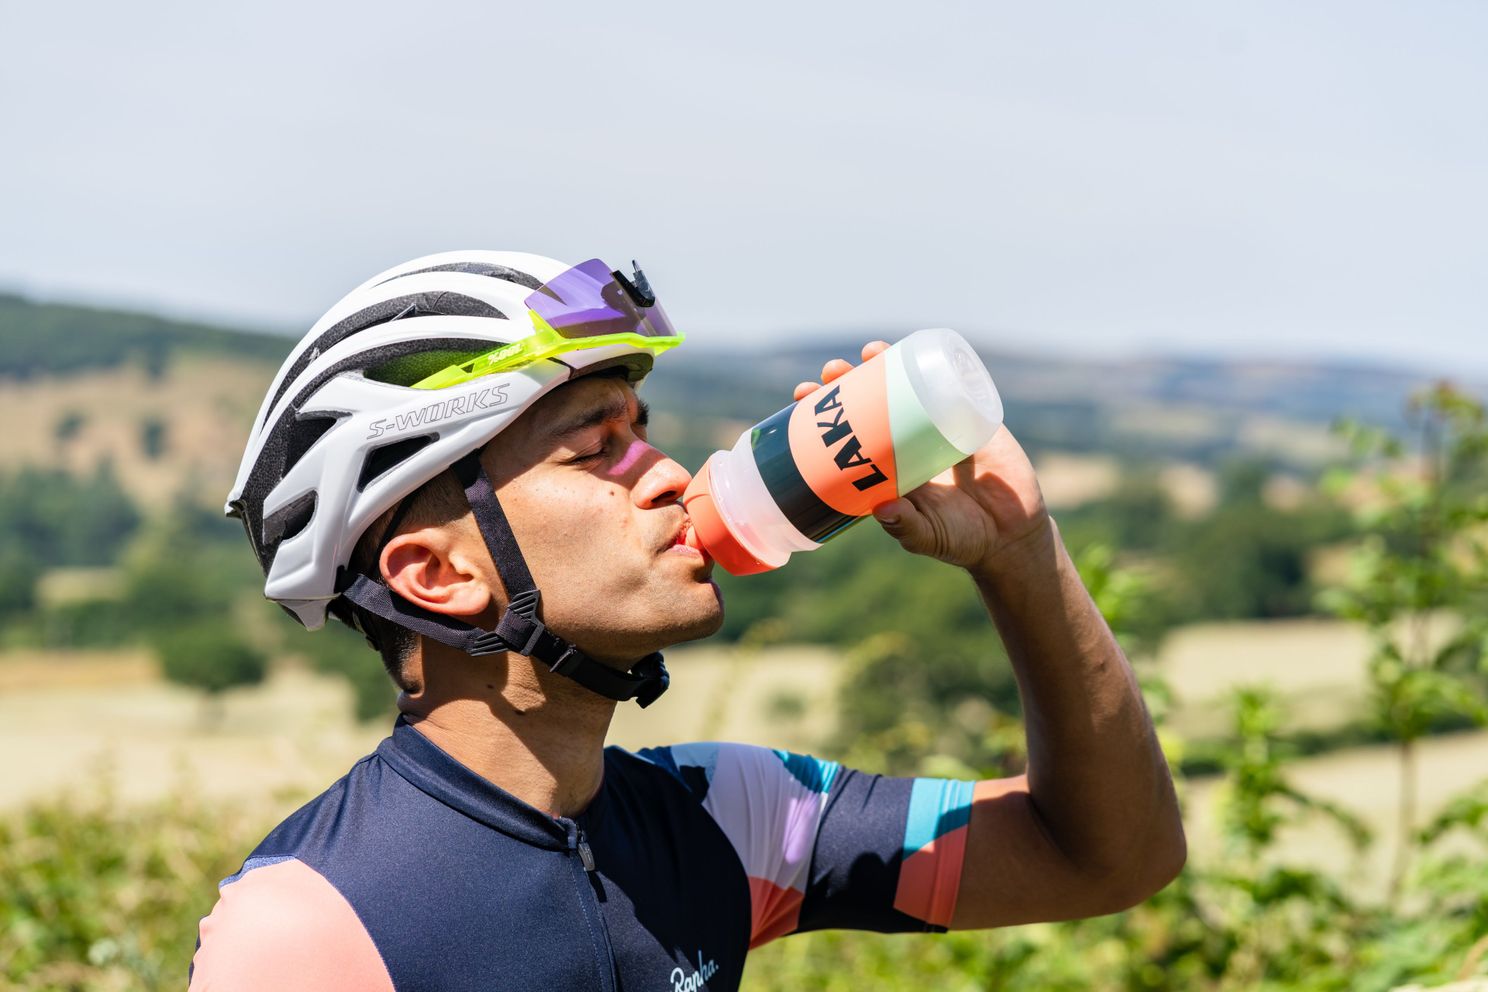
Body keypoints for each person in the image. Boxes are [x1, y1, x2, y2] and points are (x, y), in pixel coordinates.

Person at [188, 251, 1185, 991]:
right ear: (435, 574)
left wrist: (1020, 553)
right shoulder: (306, 926)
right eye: (596, 446)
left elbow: (1103, 854)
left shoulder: (724, 812)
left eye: (643, 431)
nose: (668, 472)